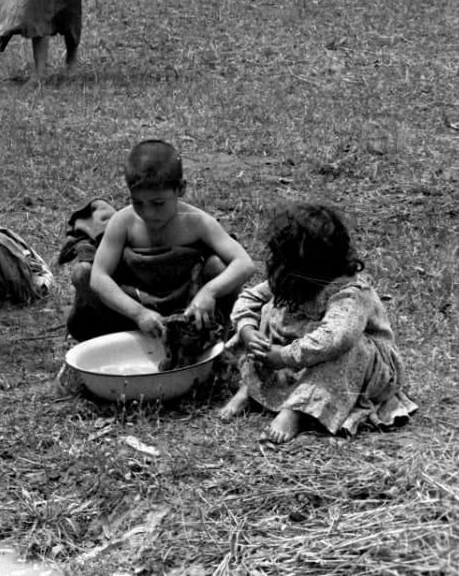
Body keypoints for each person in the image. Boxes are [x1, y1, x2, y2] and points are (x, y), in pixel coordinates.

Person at [220, 203, 417, 444]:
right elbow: (251, 297)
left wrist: (283, 355)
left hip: (356, 368)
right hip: (299, 355)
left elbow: (334, 339)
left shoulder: (351, 292)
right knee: (270, 309)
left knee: (351, 347)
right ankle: (251, 388)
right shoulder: (292, 280)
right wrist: (247, 329)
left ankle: (298, 409)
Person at [67, 140, 254, 342]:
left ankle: (213, 342)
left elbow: (245, 264)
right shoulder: (124, 222)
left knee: (218, 266)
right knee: (82, 273)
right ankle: (114, 341)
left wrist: (209, 292)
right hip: (131, 311)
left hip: (187, 309)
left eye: (158, 203)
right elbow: (98, 277)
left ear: (180, 189)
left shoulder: (197, 222)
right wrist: (138, 313)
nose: (148, 213)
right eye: (138, 202)